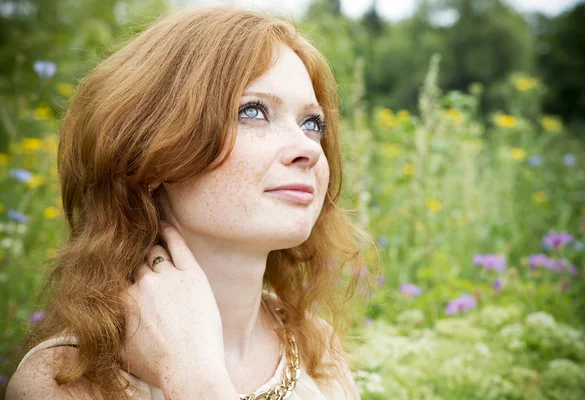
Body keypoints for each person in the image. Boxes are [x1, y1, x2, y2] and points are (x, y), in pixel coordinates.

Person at [6, 5, 377, 399]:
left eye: (312, 123)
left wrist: (198, 381)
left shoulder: (317, 349)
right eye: (253, 112)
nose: (307, 149)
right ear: (153, 152)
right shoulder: (63, 381)